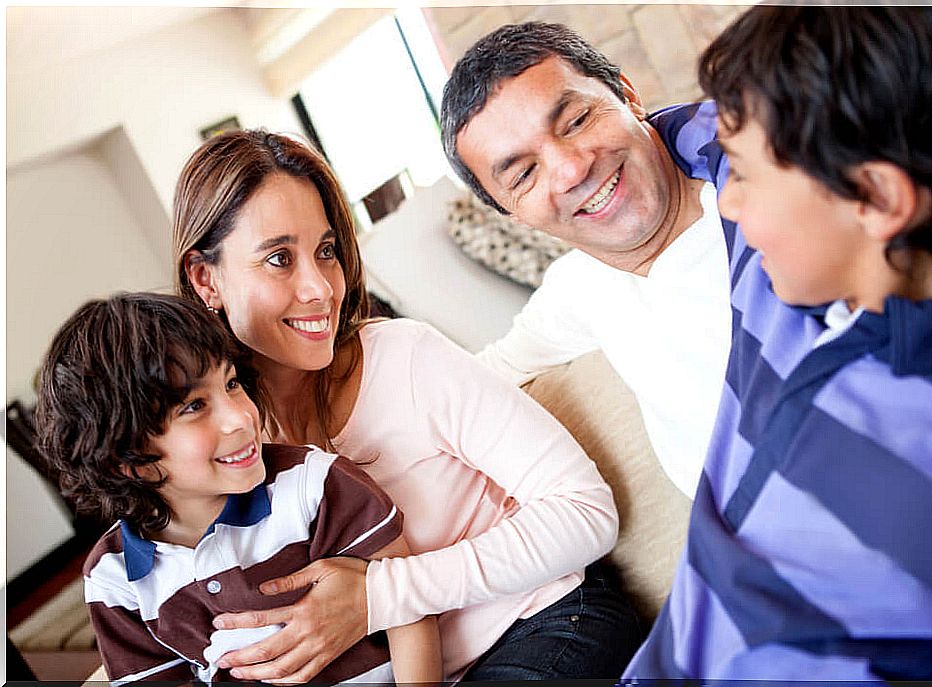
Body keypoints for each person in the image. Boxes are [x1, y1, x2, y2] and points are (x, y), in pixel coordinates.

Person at [170, 129, 643, 682]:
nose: (321, 289)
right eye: (279, 259)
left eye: (325, 252)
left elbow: (586, 510)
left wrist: (380, 594)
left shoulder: (404, 359)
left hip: (549, 622)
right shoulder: (226, 446)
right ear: (206, 279)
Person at [620, 6, 932, 680]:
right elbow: (694, 135)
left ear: (873, 196)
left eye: (742, 173)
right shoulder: (796, 286)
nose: (724, 201)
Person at [34, 292, 440, 685]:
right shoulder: (113, 578)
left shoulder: (313, 485)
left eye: (230, 384)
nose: (240, 418)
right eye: (194, 406)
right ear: (124, 460)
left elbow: (410, 610)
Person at [440, 22, 732, 499]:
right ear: (514, 216)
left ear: (628, 96)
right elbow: (463, 391)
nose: (572, 169)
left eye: (576, 121)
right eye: (524, 175)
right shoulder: (577, 287)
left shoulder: (775, 185)